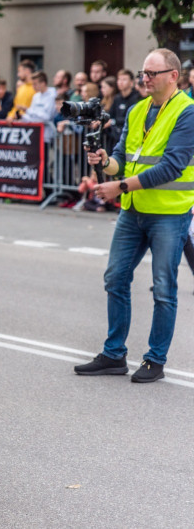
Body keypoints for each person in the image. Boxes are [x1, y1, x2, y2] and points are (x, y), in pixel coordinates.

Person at [74, 48, 194, 383]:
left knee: (164, 289)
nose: (145, 78)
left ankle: (155, 359)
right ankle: (114, 354)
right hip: (134, 210)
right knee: (115, 278)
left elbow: (172, 166)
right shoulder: (139, 109)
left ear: (173, 75)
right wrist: (104, 161)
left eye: (152, 73)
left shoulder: (188, 111)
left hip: (168, 213)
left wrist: (120, 186)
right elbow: (122, 157)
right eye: (144, 72)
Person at [20, 71, 57, 143]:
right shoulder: (36, 96)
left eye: (35, 84)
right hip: (36, 134)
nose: (33, 86)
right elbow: (31, 118)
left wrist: (28, 110)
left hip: (46, 136)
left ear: (43, 83)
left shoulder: (52, 95)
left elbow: (47, 117)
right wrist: (22, 116)